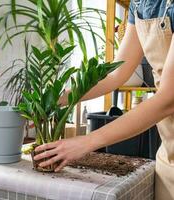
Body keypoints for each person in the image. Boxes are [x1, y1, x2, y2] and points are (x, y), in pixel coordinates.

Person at [33, 0, 174, 199]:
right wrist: (56, 98)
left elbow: (168, 98)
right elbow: (115, 74)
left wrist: (86, 142)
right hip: (168, 152)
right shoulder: (140, 4)